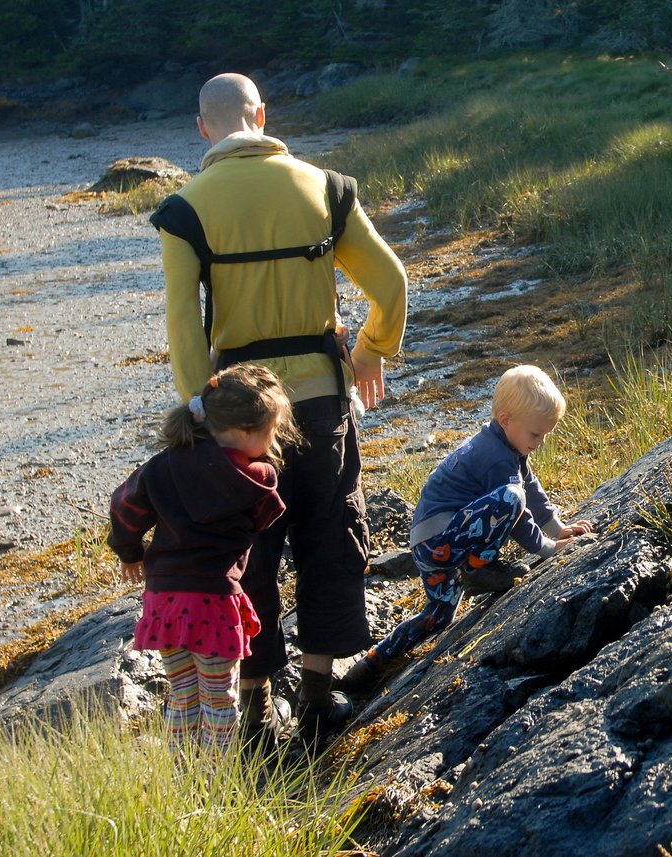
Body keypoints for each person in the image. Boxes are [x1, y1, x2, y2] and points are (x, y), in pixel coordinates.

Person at [151, 72, 408, 752]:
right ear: (262, 115)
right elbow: (393, 283)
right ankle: (321, 699)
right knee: (330, 536)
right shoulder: (328, 189)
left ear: (204, 127)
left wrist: (202, 410)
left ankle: (257, 709)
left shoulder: (184, 210)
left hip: (239, 414)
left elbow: (183, 328)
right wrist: (374, 349)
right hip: (322, 399)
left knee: (247, 555)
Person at [336, 365, 594, 694]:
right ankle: (478, 570)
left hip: (434, 543)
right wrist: (546, 547)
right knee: (510, 499)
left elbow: (532, 487)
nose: (541, 442)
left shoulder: (508, 446)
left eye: (545, 435)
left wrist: (557, 528)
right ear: (506, 419)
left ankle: (374, 661)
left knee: (438, 616)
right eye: (535, 434)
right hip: (440, 539)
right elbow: (517, 508)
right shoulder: (496, 457)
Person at [108, 364, 297, 759]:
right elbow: (264, 516)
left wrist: (129, 551)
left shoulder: (161, 465)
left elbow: (124, 504)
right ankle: (216, 782)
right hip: (214, 603)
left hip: (164, 601)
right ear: (245, 432)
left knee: (183, 697)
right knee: (219, 701)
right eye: (271, 431)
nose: (273, 440)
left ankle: (185, 775)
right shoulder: (257, 479)